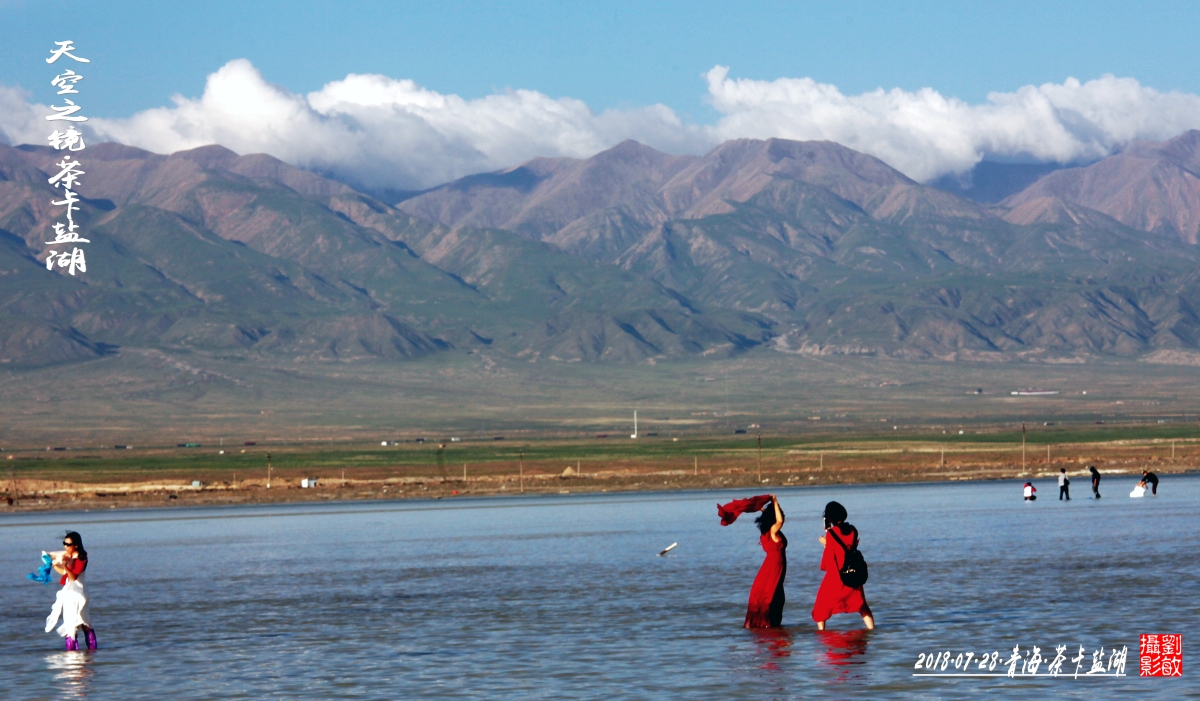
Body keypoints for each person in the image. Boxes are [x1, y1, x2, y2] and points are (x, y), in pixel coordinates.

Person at [812, 501, 874, 631]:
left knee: (821, 605)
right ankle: (871, 630)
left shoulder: (831, 533)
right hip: (852, 572)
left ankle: (822, 632)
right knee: (861, 604)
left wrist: (825, 543)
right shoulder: (853, 530)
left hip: (836, 574)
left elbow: (829, 559)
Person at [46, 531, 95, 650]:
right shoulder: (69, 557)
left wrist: (66, 566)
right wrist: (53, 564)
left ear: (76, 545)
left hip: (77, 595)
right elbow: (64, 573)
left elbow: (73, 577)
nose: (65, 547)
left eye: (68, 544)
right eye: (64, 543)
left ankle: (80, 654)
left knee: (81, 625)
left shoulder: (82, 558)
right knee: (80, 625)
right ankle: (80, 653)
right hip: (70, 594)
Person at [744, 494, 787, 628]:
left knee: (777, 596)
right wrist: (775, 501)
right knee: (772, 596)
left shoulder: (766, 531)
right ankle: (768, 624)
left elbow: (775, 518)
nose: (783, 516)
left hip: (772, 566)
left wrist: (765, 509)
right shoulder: (772, 530)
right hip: (773, 567)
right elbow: (779, 521)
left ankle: (772, 626)